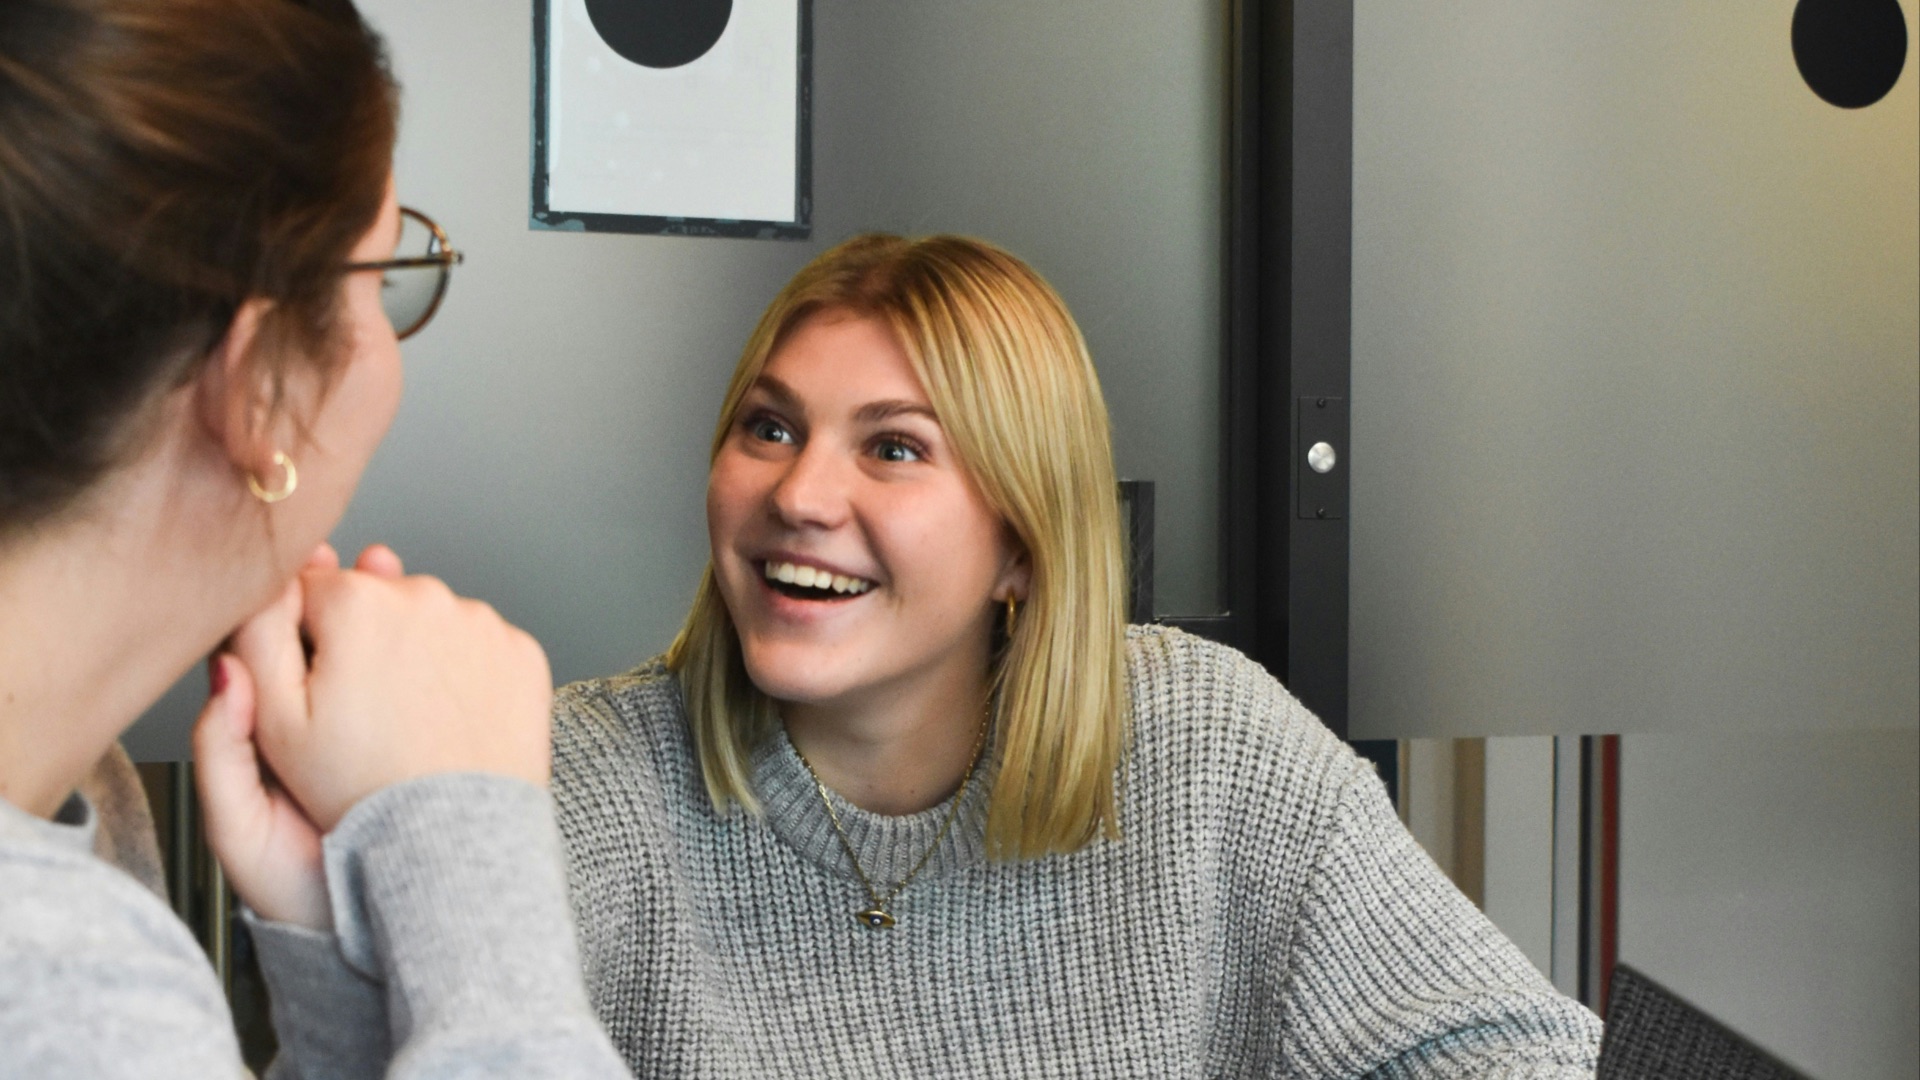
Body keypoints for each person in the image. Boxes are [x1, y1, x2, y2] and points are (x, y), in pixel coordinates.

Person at [551, 233, 1605, 1075]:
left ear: (1021, 544)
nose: (798, 496)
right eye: (770, 429)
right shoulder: (591, 778)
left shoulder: (1201, 737)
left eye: (894, 447)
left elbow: (1511, 1053)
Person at [0, 0, 627, 1075]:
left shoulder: (79, 797)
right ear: (263, 384)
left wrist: (343, 970)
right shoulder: (62, 978)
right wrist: (461, 841)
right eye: (379, 281)